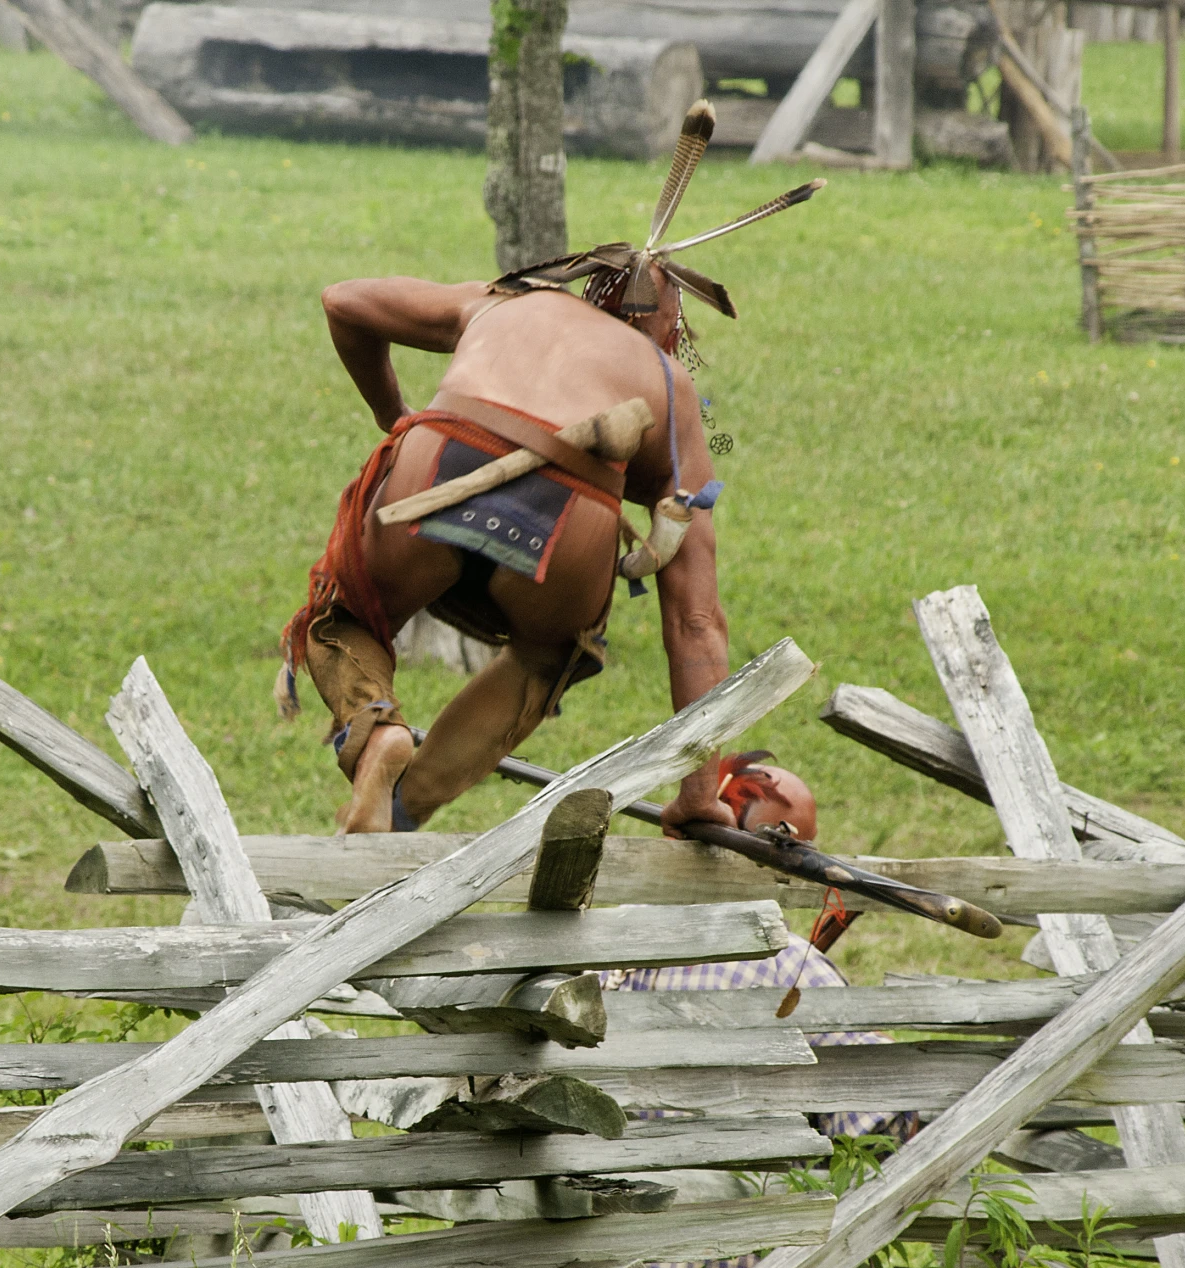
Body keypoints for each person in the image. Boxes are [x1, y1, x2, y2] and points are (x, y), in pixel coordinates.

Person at [275, 101, 820, 837]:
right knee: (547, 653)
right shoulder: (669, 386)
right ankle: (405, 809)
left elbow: (344, 302)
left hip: (441, 457)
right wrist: (696, 788)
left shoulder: (503, 304)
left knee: (341, 614)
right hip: (569, 518)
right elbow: (694, 619)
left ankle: (377, 737)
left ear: (587, 289)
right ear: (670, 327)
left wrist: (393, 417)